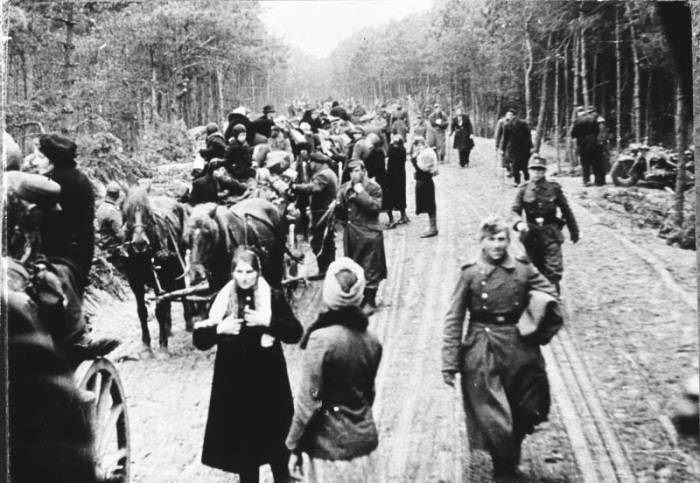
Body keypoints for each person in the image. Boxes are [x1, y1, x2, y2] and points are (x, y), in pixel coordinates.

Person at [442, 215, 560, 481]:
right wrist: (449, 362)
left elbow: (549, 295)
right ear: (481, 241)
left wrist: (536, 324)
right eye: (491, 239)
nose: (496, 245)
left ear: (508, 241)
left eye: (501, 239)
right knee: (495, 415)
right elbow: (454, 317)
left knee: (525, 408)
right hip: (482, 348)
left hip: (520, 347)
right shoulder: (470, 273)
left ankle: (509, 464)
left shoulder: (523, 268)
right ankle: (504, 471)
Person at [193, 248, 303, 483]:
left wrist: (267, 322)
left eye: (249, 272)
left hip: (269, 388)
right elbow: (199, 340)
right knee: (246, 457)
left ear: (258, 272)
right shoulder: (221, 301)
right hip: (236, 390)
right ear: (232, 273)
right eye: (239, 272)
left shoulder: (272, 297)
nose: (244, 277)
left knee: (278, 452)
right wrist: (218, 329)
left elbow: (295, 332)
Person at [286, 258, 382, 482]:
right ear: (359, 294)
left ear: (329, 292)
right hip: (365, 444)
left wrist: (293, 446)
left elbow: (309, 402)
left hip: (328, 450)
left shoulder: (320, 339)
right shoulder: (371, 341)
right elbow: (369, 395)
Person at [511, 154, 579, 293]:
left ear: (544, 171)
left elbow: (566, 210)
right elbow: (514, 211)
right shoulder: (523, 190)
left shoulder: (554, 188)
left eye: (540, 170)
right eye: (534, 169)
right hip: (531, 235)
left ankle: (553, 297)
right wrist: (518, 223)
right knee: (534, 270)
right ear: (529, 170)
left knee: (553, 270)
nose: (537, 173)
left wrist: (574, 230)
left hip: (551, 234)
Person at [336, 160, 387, 316]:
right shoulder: (344, 188)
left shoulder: (374, 187)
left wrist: (360, 193)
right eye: (352, 171)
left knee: (370, 267)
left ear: (364, 171)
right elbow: (342, 212)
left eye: (358, 170)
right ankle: (357, 297)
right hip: (352, 232)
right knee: (353, 265)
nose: (355, 174)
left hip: (370, 232)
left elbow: (375, 208)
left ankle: (370, 300)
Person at [291, 152, 339, 278]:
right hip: (326, 212)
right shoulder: (330, 172)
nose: (310, 165)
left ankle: (324, 270)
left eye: (311, 163)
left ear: (317, 163)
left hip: (322, 214)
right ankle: (330, 267)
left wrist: (295, 187)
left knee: (318, 242)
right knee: (328, 242)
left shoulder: (323, 175)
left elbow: (314, 188)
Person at [410, 136, 439, 238]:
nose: (417, 147)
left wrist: (413, 161)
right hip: (423, 181)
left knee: (429, 204)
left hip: (425, 181)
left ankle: (433, 228)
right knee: (428, 204)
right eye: (416, 145)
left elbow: (424, 168)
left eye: (418, 145)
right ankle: (432, 227)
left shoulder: (426, 154)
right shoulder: (423, 153)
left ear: (422, 144)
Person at [499, 108, 533, 186]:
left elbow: (528, 136)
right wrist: (502, 149)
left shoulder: (523, 123)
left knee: (524, 165)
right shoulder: (506, 125)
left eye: (511, 115)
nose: (509, 117)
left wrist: (531, 146)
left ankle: (527, 178)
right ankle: (517, 181)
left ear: (515, 116)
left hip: (524, 148)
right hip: (513, 148)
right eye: (508, 115)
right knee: (514, 165)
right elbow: (505, 138)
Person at [363, 133, 390, 225]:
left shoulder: (376, 152)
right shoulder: (379, 151)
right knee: (384, 197)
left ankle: (387, 218)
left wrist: (370, 173)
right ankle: (389, 217)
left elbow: (376, 166)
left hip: (378, 178)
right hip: (381, 176)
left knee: (381, 198)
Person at [95, 181, 123, 262]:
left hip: (101, 246)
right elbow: (120, 235)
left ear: (107, 193)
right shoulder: (112, 211)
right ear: (117, 196)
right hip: (112, 250)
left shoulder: (100, 207)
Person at [385, 133, 409, 227]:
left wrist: (391, 144)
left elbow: (389, 153)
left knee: (392, 195)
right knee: (401, 195)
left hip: (393, 176)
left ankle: (400, 216)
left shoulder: (394, 150)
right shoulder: (403, 150)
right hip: (401, 175)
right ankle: (403, 215)